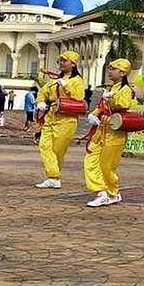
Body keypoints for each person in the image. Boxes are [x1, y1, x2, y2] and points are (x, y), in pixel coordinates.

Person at [83, 59, 134, 207]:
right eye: (110, 68)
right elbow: (100, 106)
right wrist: (93, 114)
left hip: (115, 133)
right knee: (90, 159)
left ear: (122, 72)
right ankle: (101, 192)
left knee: (107, 166)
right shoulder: (111, 88)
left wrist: (111, 98)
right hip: (101, 131)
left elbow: (123, 105)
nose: (109, 71)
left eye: (113, 69)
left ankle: (113, 192)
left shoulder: (125, 90)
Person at [34, 51, 86, 189]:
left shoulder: (77, 81)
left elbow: (79, 97)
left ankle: (54, 177)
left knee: (58, 151)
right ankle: (53, 176)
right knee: (44, 146)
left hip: (67, 120)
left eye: (64, 61)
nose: (61, 63)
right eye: (60, 61)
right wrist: (40, 101)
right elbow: (43, 92)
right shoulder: (54, 80)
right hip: (51, 117)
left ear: (73, 64)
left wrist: (65, 85)